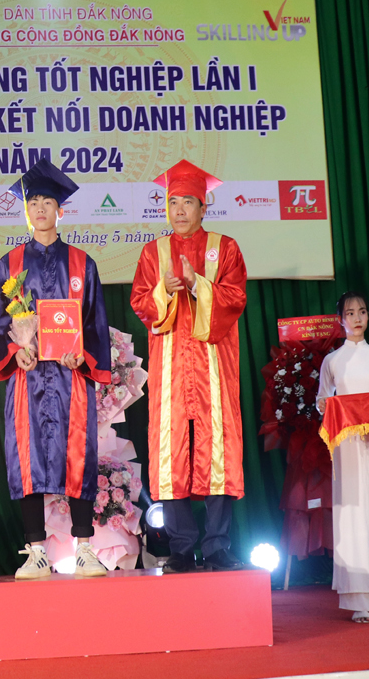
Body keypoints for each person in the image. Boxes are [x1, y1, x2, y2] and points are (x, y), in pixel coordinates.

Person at [0, 159, 112, 579]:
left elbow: (94, 322)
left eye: (47, 202)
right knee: (27, 458)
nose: (40, 209)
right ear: (26, 211)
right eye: (33, 203)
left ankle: (85, 549)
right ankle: (36, 551)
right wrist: (14, 351)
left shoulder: (82, 263)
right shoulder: (9, 263)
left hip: (70, 376)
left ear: (61, 209)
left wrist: (84, 356)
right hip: (28, 376)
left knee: (77, 454)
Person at [130, 160, 249, 573]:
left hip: (214, 364)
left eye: (188, 202)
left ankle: (217, 545)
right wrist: (164, 290)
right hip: (171, 368)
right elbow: (141, 304)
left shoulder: (225, 248)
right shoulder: (153, 252)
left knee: (218, 449)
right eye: (172, 202)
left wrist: (198, 284)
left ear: (203, 206)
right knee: (172, 452)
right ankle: (180, 547)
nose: (179, 210)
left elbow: (235, 299)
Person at [316, 292, 369, 623]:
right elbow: (323, 400)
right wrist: (323, 406)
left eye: (362, 312)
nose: (357, 318)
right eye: (350, 313)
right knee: (351, 515)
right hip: (347, 447)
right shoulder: (332, 361)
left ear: (368, 317)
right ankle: (357, 601)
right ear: (340, 320)